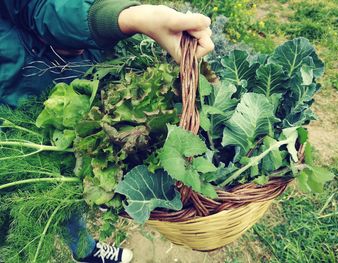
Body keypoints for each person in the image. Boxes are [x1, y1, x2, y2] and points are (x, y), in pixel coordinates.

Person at [0, 1, 214, 262]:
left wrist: (126, 17)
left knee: (58, 190)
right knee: (17, 205)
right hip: (17, 94)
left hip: (36, 88)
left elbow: (39, 6)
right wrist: (131, 18)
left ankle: (85, 250)